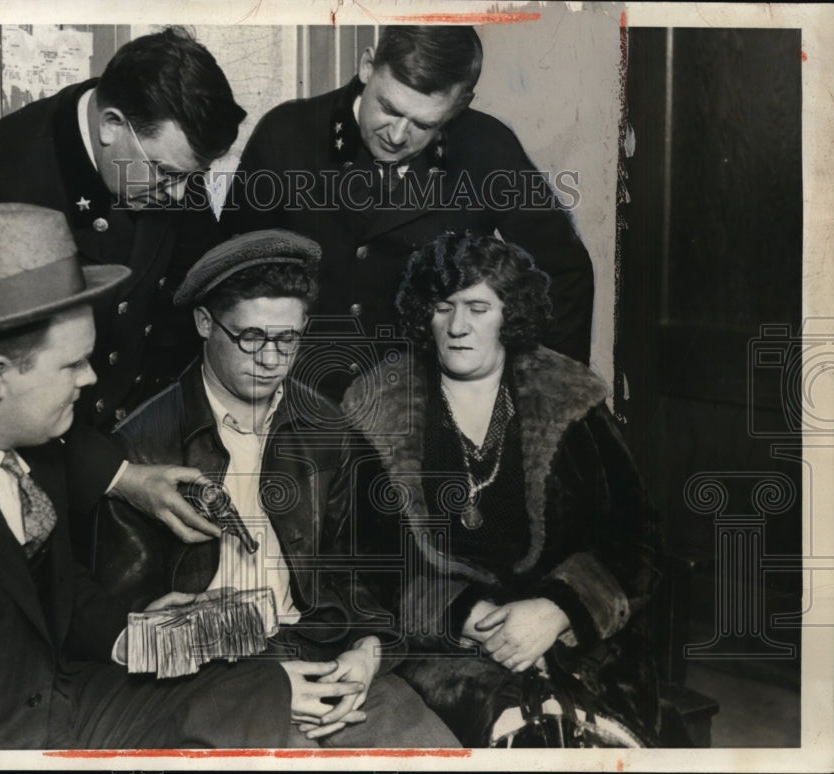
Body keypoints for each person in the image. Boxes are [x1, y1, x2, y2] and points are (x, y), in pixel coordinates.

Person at [0, 204, 292, 750]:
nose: (90, 378)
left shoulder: (39, 439)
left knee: (260, 683)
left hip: (63, 699)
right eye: (72, 364)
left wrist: (133, 636)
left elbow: (56, 588)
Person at [0, 27, 244, 546]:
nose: (181, 195)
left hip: (111, 430)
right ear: (111, 125)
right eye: (166, 174)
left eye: (193, 176)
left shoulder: (165, 158)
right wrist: (116, 474)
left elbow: (189, 291)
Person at [94, 229, 460, 748]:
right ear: (204, 323)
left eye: (287, 339)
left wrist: (368, 650)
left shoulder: (328, 427)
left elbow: (354, 570)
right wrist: (261, 684)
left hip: (322, 651)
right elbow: (127, 629)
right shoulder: (139, 446)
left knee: (432, 753)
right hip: (210, 675)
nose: (271, 359)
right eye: (251, 337)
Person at [341, 232, 662, 747]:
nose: (458, 326)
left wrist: (558, 611)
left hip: (570, 640)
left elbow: (637, 536)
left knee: (582, 736)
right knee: (509, 731)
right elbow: (359, 556)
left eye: (477, 308)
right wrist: (463, 615)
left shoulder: (568, 396)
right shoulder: (379, 404)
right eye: (442, 308)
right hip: (442, 648)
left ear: (508, 314)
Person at [221, 25, 594, 400]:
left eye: (423, 124)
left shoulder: (488, 149)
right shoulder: (286, 133)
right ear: (367, 66)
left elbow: (565, 273)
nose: (397, 136)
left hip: (427, 404)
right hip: (298, 398)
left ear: (461, 104)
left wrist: (539, 396)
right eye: (388, 108)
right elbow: (229, 275)